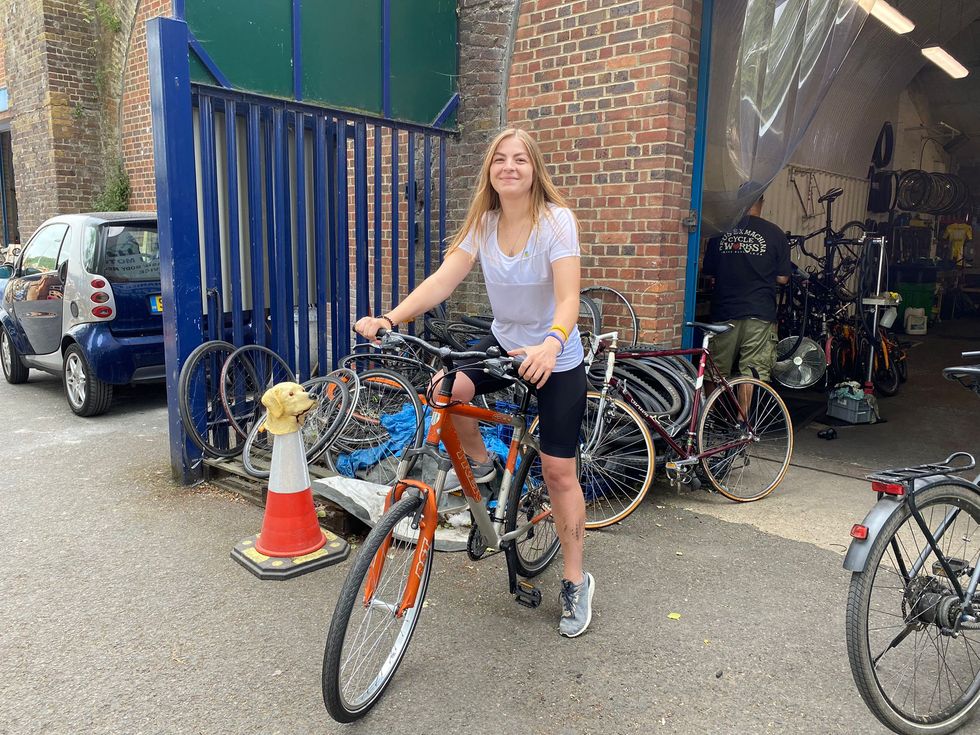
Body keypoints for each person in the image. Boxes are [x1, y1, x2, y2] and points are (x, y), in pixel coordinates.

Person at [354, 128, 593, 638]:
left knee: (558, 472)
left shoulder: (556, 222)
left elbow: (570, 297)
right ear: (490, 170)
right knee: (446, 386)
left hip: (557, 356)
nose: (509, 167)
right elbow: (444, 279)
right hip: (506, 348)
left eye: (520, 160)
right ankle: (483, 468)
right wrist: (391, 319)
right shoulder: (483, 225)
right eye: (500, 159)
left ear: (535, 170)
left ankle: (575, 578)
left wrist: (551, 344)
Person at [701, 193, 791, 407]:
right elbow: (783, 278)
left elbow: (709, 271)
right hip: (759, 312)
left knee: (715, 370)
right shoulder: (775, 234)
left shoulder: (720, 232)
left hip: (724, 311)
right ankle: (742, 424)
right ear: (761, 202)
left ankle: (708, 420)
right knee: (750, 371)